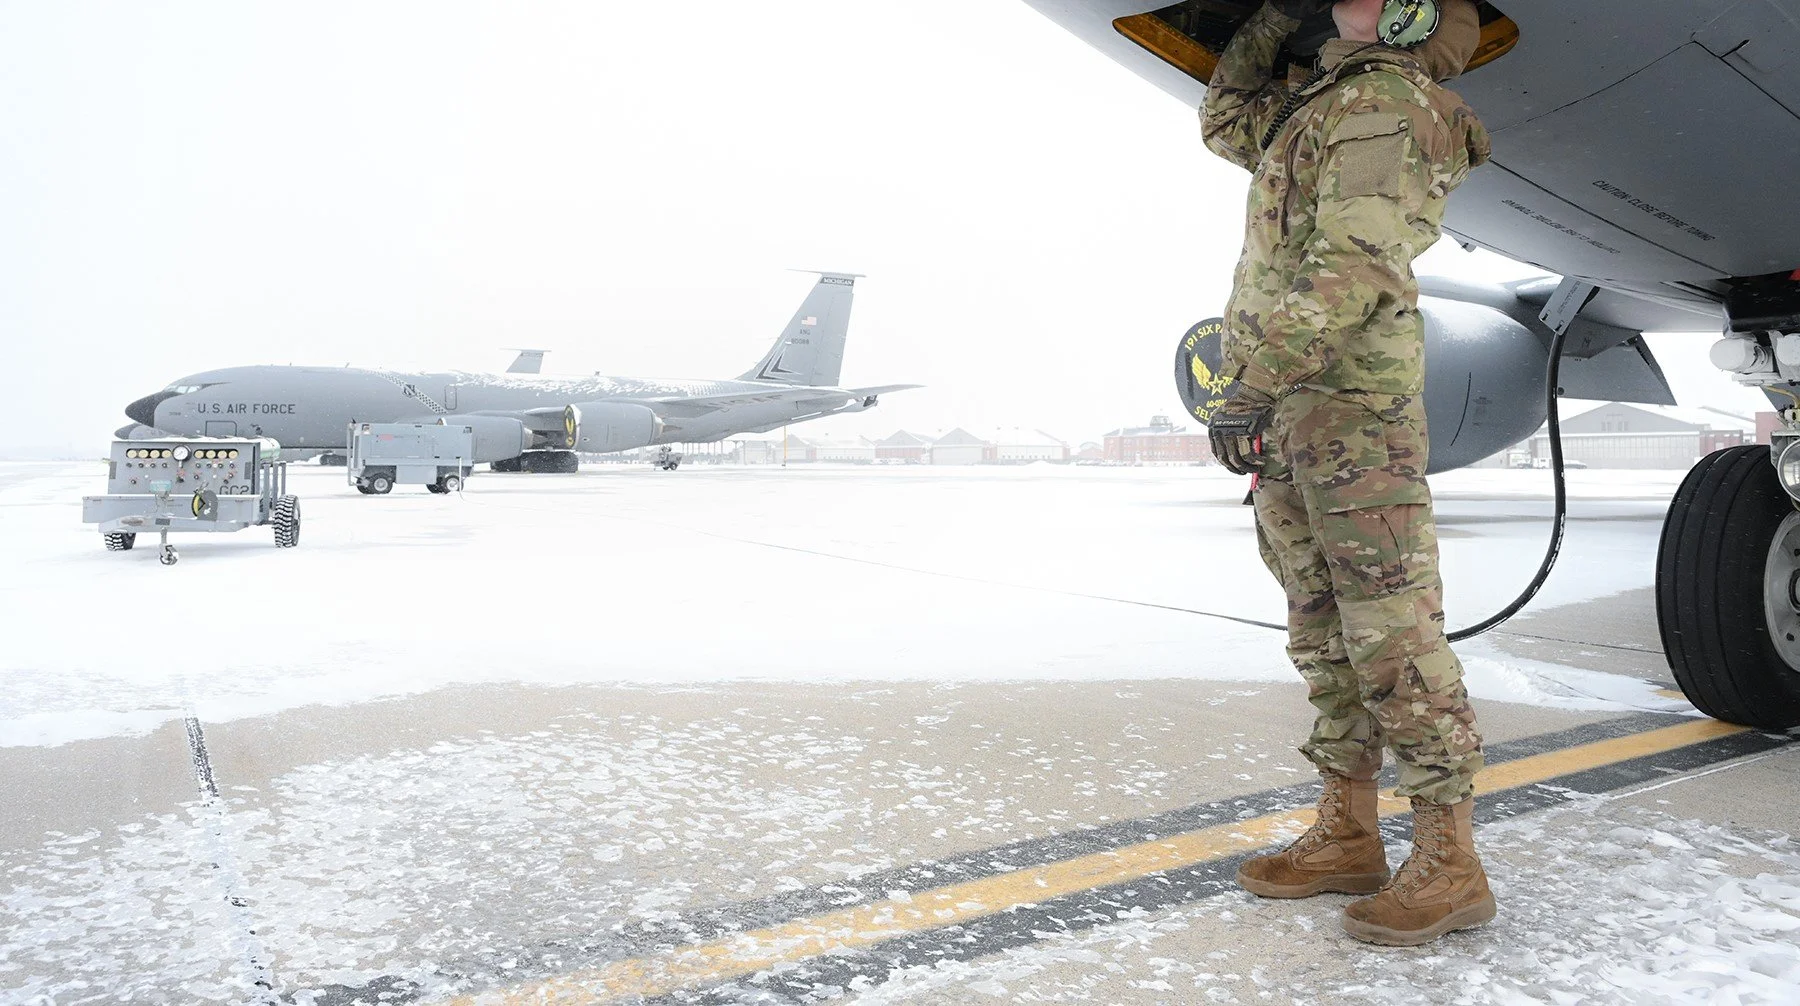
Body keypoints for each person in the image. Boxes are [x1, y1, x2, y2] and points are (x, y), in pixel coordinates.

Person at [1198, 0, 1494, 946]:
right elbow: (1224, 119)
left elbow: (1353, 264)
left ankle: (1450, 863)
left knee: (1390, 632)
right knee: (1322, 627)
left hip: (1348, 412)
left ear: (1407, 20)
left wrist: (1251, 384)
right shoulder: (1317, 106)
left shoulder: (1384, 108)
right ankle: (1350, 833)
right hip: (1296, 411)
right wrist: (1266, 20)